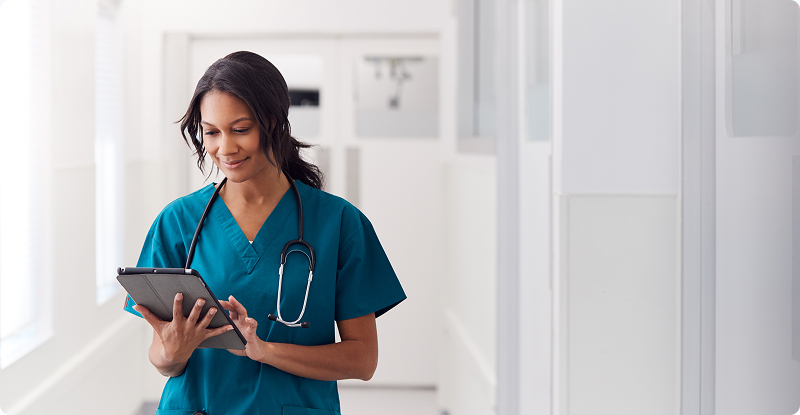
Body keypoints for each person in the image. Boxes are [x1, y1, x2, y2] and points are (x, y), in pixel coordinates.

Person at [123, 51, 406, 415]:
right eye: (212, 132)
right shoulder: (178, 223)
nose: (225, 148)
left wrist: (264, 350)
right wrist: (172, 351)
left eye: (241, 129)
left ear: (274, 123)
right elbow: (163, 360)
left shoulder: (339, 223)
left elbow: (362, 360)